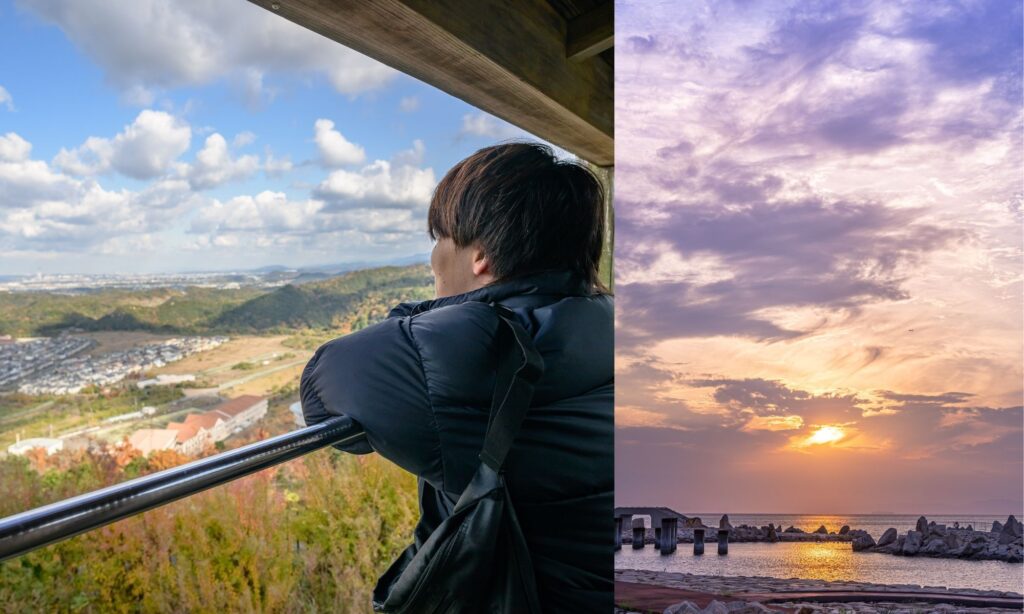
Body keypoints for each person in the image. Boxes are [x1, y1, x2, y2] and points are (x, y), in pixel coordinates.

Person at [299, 141, 613, 612]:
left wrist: (435, 310)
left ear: (480, 256)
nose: (433, 259)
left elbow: (323, 388)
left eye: (440, 238)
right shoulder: (610, 319)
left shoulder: (474, 346)